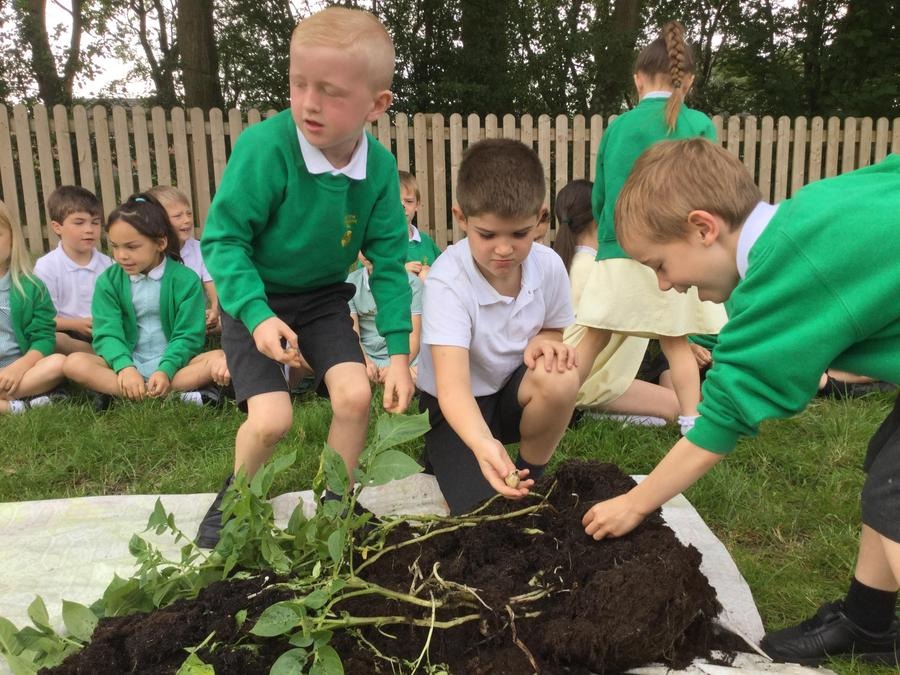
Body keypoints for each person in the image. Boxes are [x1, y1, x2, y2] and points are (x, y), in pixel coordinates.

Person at [582, 139, 900, 666]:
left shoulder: (783, 278)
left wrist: (635, 503)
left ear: (703, 228)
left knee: (897, 497)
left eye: (660, 264)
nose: (665, 284)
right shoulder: (808, 211)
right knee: (888, 467)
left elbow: (720, 420)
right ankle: (868, 622)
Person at [196, 7, 414, 548]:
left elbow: (389, 264)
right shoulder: (266, 148)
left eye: (331, 92)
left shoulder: (379, 170)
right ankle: (237, 499)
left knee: (355, 397)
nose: (309, 103)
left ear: (376, 105)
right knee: (272, 420)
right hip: (255, 297)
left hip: (321, 300)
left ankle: (337, 503)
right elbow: (223, 241)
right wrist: (255, 314)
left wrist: (400, 356)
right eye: (299, 84)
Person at [574, 21, 726, 435]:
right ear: (688, 81)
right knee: (676, 342)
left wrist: (609, 236)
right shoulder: (699, 125)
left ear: (638, 79)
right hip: (678, 257)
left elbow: (601, 197)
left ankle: (559, 404)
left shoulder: (619, 127)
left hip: (619, 248)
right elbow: (714, 192)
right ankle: (693, 424)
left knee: (593, 337)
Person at [417, 138, 580, 515]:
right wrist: (481, 443)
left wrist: (545, 341)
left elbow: (553, 330)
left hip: (510, 394)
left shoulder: (549, 266)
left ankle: (531, 476)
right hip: (454, 406)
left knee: (561, 375)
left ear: (540, 218)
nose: (504, 249)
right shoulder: (447, 281)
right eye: (487, 235)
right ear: (461, 218)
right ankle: (443, 453)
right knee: (482, 512)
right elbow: (452, 389)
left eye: (519, 234)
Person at [64, 194, 227, 409]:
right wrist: (125, 367)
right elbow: (107, 332)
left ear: (160, 243)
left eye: (131, 247)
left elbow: (188, 336)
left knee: (220, 358)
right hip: (125, 363)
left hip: (177, 366)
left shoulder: (186, 280)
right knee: (74, 363)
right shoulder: (108, 281)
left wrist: (166, 369)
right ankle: (169, 394)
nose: (121, 255)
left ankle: (125, 393)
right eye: (115, 246)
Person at [554, 180, 678, 423]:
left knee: (676, 403)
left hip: (578, 374)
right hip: (593, 379)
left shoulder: (566, 263)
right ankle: (588, 414)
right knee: (677, 407)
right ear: (600, 217)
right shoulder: (599, 269)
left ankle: (591, 412)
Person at [0, 200, 67, 413]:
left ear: (12, 238)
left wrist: (20, 367)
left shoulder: (31, 287)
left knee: (58, 363)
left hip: (21, 372)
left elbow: (44, 337)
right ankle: (15, 407)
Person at [34, 185, 112, 354]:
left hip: (103, 330)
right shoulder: (47, 266)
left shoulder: (109, 265)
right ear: (57, 227)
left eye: (95, 222)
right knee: (55, 340)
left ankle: (102, 354)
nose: (89, 230)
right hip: (68, 332)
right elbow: (44, 319)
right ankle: (100, 355)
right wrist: (76, 324)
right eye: (79, 223)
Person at [146, 185, 220, 333]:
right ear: (159, 221)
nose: (187, 220)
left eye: (189, 213)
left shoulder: (200, 249)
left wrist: (214, 310)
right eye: (178, 216)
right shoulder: (148, 252)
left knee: (227, 322)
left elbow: (213, 287)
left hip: (192, 316)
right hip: (156, 318)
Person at [349, 252, 422, 384]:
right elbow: (353, 334)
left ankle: (397, 376)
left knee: (426, 372)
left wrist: (398, 366)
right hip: (368, 355)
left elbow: (414, 337)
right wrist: (365, 362)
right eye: (362, 247)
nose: (367, 253)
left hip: (405, 353)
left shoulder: (412, 283)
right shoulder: (351, 283)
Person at [400, 170, 441, 281]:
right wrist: (400, 272)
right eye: (396, 202)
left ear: (417, 205)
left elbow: (446, 270)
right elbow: (363, 280)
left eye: (409, 201)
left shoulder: (427, 242)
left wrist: (431, 272)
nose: (402, 207)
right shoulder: (380, 244)